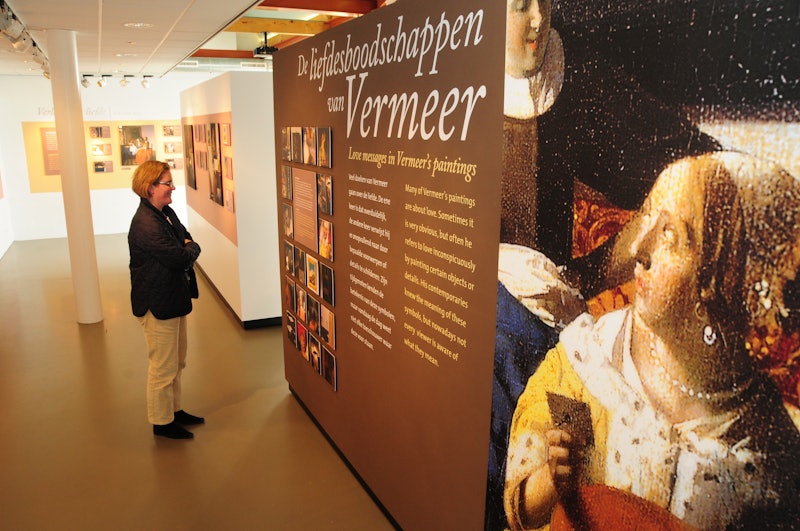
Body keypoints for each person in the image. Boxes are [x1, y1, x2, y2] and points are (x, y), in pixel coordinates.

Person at [503, 152, 800, 530]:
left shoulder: (771, 450)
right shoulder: (589, 368)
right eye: (647, 219)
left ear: (722, 277)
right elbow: (524, 513)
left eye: (670, 236)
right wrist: (551, 479)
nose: (638, 250)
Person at [128, 160, 204, 440]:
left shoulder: (165, 213)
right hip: (158, 303)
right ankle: (161, 422)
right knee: (163, 366)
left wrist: (187, 245)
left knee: (177, 362)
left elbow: (186, 238)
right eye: (167, 183)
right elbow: (179, 257)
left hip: (173, 298)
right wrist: (190, 248)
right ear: (150, 187)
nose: (173, 187)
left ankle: (174, 409)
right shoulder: (146, 224)